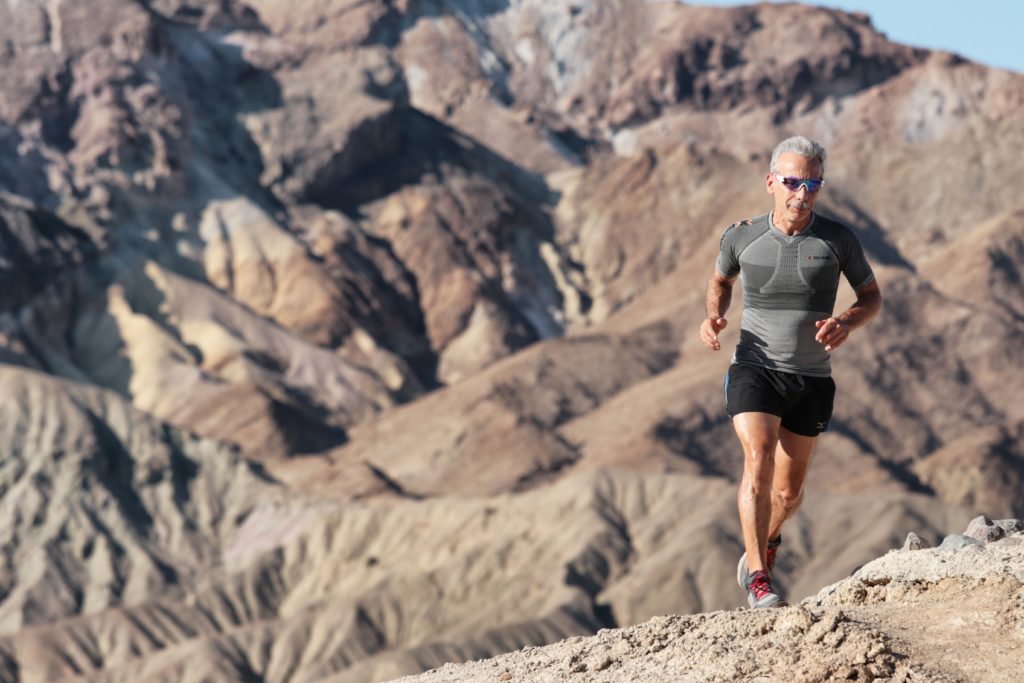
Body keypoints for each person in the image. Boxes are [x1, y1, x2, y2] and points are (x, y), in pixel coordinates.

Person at [699, 135, 882, 608]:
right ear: (771, 183)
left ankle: (767, 537)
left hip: (812, 379)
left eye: (813, 184)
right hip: (755, 368)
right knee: (757, 458)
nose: (803, 193)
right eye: (793, 181)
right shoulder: (742, 236)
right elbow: (720, 281)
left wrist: (846, 321)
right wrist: (713, 315)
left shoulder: (838, 240)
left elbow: (871, 298)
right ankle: (759, 578)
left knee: (788, 491)